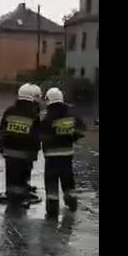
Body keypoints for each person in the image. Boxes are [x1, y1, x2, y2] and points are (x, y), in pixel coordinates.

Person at [40, 87, 86, 218]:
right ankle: (72, 206)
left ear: (48, 100)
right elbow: (81, 131)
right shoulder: (72, 114)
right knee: (68, 182)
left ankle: (52, 211)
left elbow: (41, 136)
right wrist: (71, 137)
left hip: (51, 157)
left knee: (51, 183)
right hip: (67, 155)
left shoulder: (47, 117)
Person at [0, 83, 42, 205]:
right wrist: (34, 155)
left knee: (11, 177)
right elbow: (36, 137)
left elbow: (2, 131)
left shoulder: (9, 111)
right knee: (23, 178)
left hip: (9, 153)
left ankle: (11, 197)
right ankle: (20, 200)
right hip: (25, 155)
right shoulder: (34, 115)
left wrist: (2, 148)